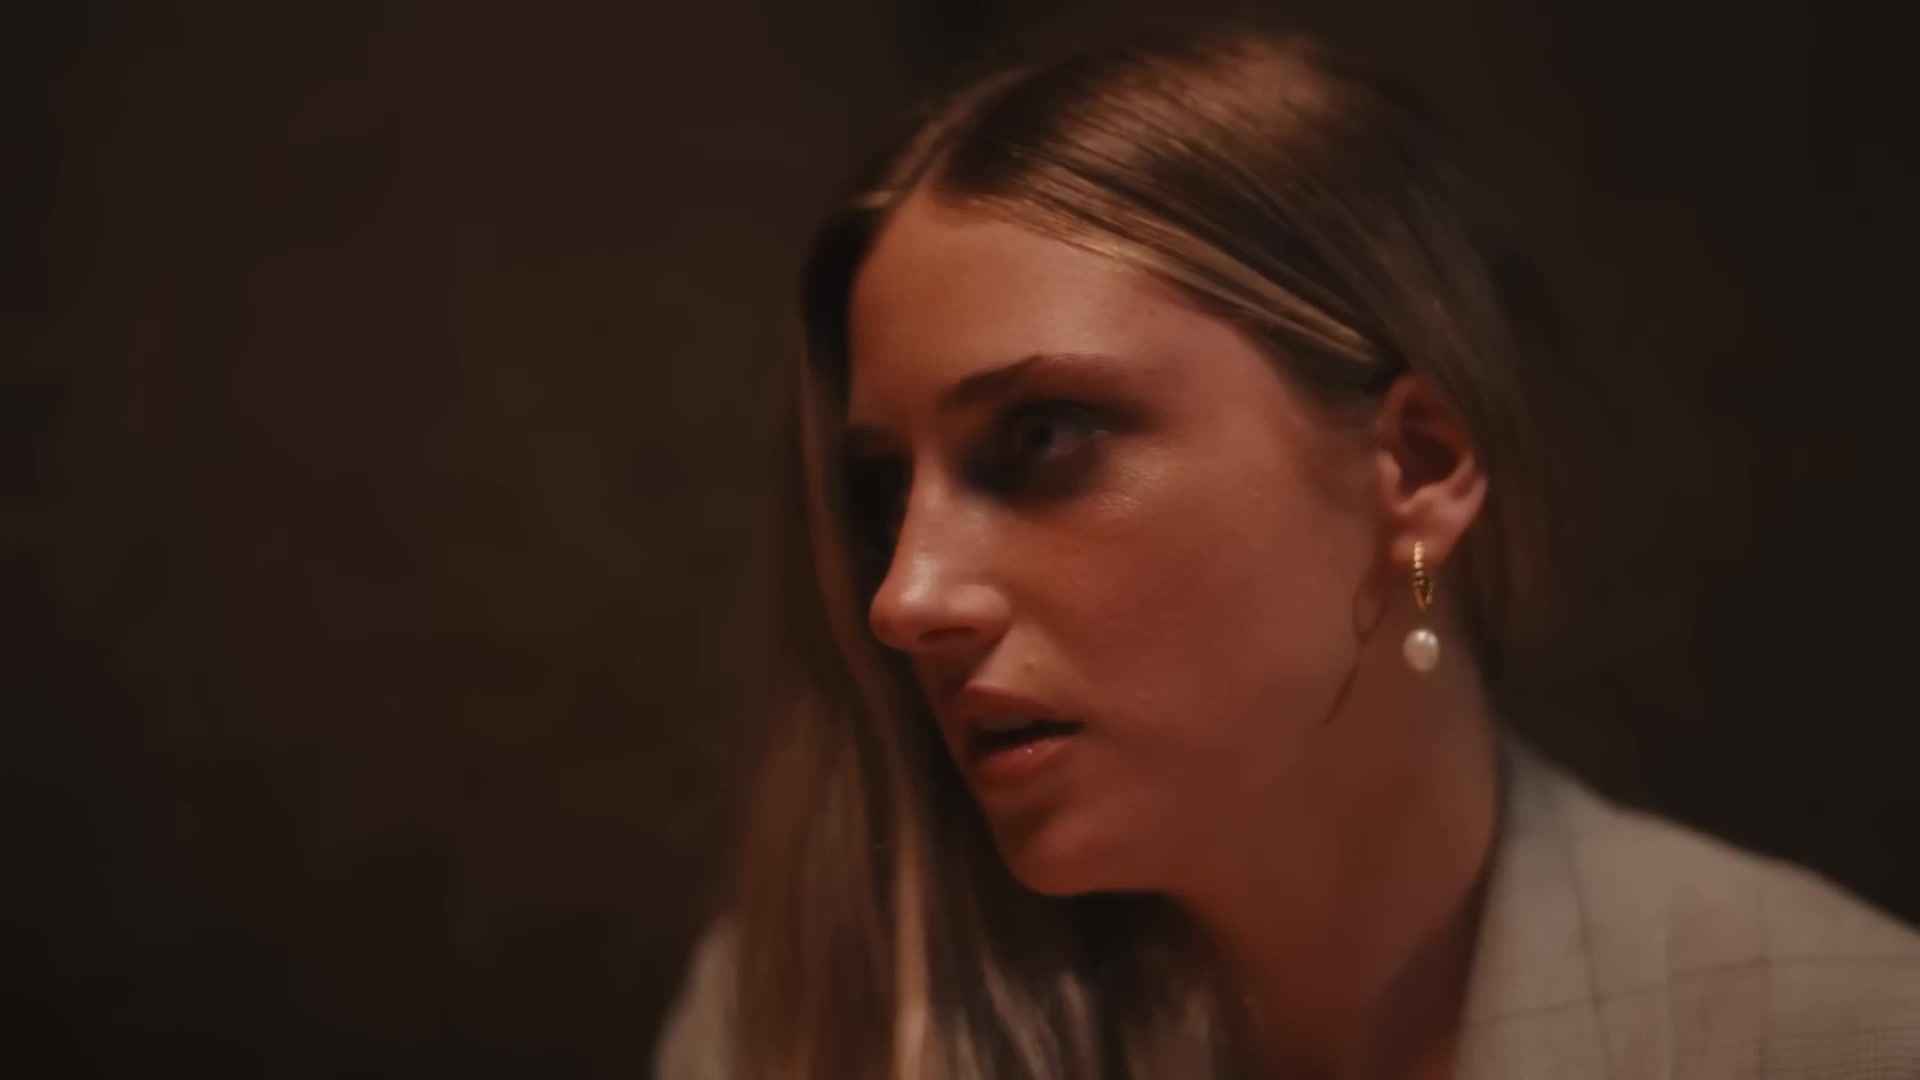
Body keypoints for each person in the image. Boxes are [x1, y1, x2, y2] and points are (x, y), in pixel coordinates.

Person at [655, 19, 1920, 1079]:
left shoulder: (1838, 1035)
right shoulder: (801, 1024)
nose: (904, 595)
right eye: (884, 488)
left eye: (1043, 437)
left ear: (1417, 467)